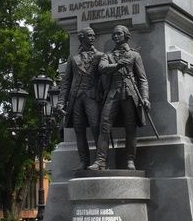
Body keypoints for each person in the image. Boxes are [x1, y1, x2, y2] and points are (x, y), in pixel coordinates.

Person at [94, 25, 150, 170]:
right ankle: (100, 161)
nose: (115, 36)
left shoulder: (134, 55)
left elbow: (142, 79)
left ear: (126, 35)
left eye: (118, 33)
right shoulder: (107, 55)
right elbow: (102, 68)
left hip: (129, 93)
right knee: (104, 125)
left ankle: (130, 160)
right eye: (114, 34)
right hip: (112, 93)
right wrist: (117, 66)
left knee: (130, 128)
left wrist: (145, 97)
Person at [59, 27, 104, 169]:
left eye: (93, 35)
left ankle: (100, 161)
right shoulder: (73, 59)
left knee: (96, 127)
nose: (92, 38)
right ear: (81, 38)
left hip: (92, 97)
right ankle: (84, 161)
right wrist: (61, 102)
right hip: (76, 98)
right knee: (79, 130)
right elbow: (66, 82)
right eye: (89, 36)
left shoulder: (100, 56)